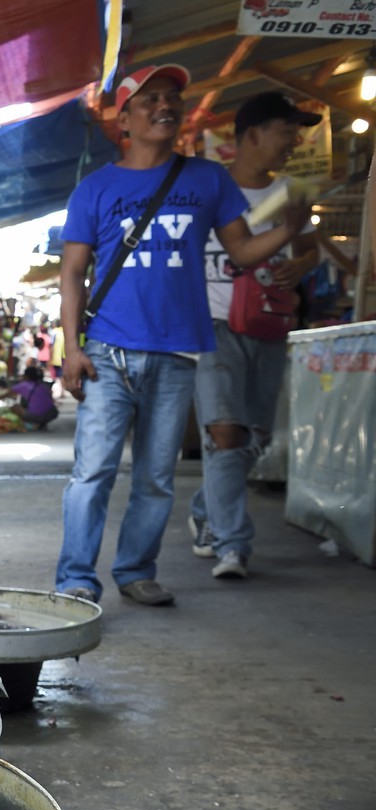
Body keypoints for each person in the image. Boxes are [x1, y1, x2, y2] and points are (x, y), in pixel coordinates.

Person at [54, 65, 307, 606]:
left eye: (172, 98)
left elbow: (240, 252)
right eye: (150, 100)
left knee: (156, 476)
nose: (165, 106)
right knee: (92, 472)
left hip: (177, 352)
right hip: (107, 351)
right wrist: (71, 349)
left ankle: (135, 571)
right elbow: (72, 273)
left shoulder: (207, 179)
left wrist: (290, 229)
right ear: (124, 118)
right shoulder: (95, 188)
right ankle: (76, 577)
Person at [191, 92, 321, 580]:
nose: (295, 140)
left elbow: (311, 251)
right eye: (287, 129)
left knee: (255, 438)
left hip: (268, 324)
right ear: (253, 134)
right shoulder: (206, 186)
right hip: (213, 324)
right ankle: (232, 545)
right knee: (226, 432)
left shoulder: (293, 191)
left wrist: (300, 264)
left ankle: (207, 510)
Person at [0, 363, 59, 429]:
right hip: (51, 413)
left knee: (14, 407)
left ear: (27, 376)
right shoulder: (43, 385)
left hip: (38, 415)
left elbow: (8, 394)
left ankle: (29, 424)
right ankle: (41, 423)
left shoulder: (24, 385)